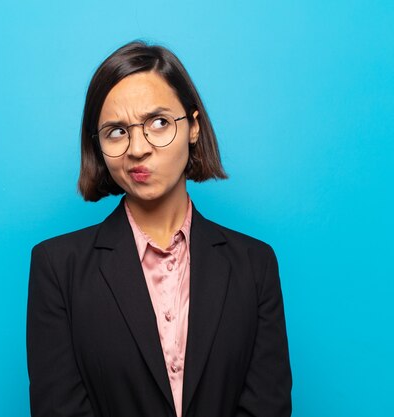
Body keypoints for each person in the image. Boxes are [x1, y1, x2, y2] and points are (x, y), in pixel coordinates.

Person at [26, 40, 292, 417]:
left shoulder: (254, 264)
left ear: (193, 128)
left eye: (159, 123)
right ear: (98, 146)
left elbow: (268, 406)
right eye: (116, 131)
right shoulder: (57, 268)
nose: (137, 148)